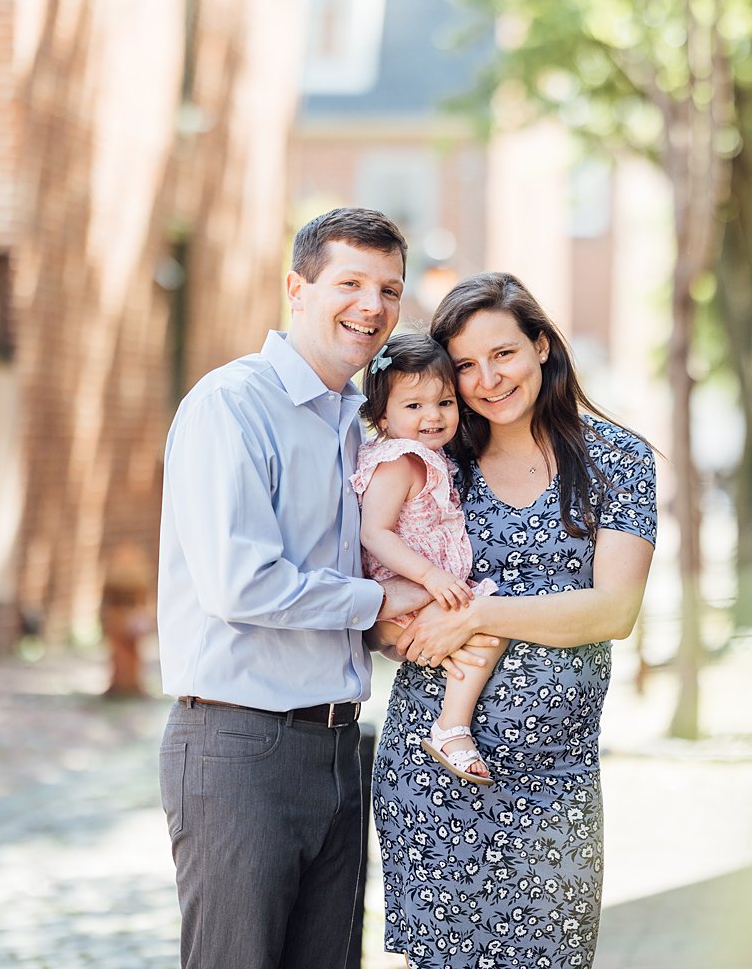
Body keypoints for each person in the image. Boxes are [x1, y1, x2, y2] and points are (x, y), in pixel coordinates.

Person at [155, 207, 496, 969]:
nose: (371, 306)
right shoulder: (233, 406)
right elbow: (241, 583)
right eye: (350, 282)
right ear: (296, 289)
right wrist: (383, 604)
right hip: (241, 744)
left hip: (342, 747)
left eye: (388, 288)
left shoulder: (365, 423)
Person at [370, 271, 658, 968]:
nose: (487, 379)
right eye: (464, 365)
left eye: (503, 353)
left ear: (541, 347)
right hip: (433, 770)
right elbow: (376, 582)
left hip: (552, 779)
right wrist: (395, 627)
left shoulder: (617, 459)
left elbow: (613, 610)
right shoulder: (438, 464)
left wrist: (478, 615)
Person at [350, 333, 502, 785]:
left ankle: (451, 723)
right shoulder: (398, 461)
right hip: (409, 596)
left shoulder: (430, 457)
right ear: (381, 415)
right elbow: (372, 532)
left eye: (445, 402)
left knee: (484, 629)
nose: (433, 416)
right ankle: (451, 728)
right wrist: (431, 576)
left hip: (423, 596)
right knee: (488, 626)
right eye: (414, 406)